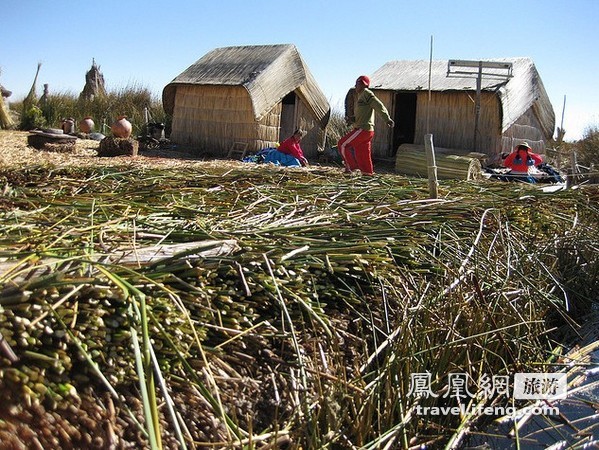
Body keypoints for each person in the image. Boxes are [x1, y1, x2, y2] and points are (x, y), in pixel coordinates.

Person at [337, 75, 394, 176]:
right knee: (362, 153)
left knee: (343, 144)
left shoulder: (367, 93)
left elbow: (379, 105)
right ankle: (367, 173)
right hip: (365, 130)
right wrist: (353, 119)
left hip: (363, 129)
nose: (355, 86)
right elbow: (364, 113)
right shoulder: (361, 95)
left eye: (357, 84)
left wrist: (387, 119)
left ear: (363, 84)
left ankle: (351, 168)